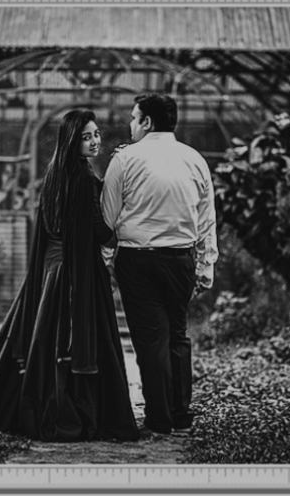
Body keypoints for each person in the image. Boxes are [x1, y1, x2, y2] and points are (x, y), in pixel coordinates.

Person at [0, 110, 139, 443]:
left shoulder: (54, 173)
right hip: (75, 272)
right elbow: (98, 231)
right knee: (73, 341)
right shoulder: (83, 177)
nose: (95, 141)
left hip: (50, 270)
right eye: (86, 137)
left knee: (47, 339)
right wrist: (124, 227)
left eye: (96, 134)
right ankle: (71, 411)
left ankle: (25, 402)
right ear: (72, 140)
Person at [101, 93, 218, 436]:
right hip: (181, 259)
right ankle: (180, 414)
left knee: (151, 339)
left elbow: (108, 218)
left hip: (137, 261)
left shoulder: (125, 159)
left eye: (134, 118)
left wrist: (106, 261)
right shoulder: (194, 159)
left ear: (147, 122)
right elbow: (207, 218)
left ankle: (159, 418)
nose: (131, 124)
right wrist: (205, 266)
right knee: (177, 335)